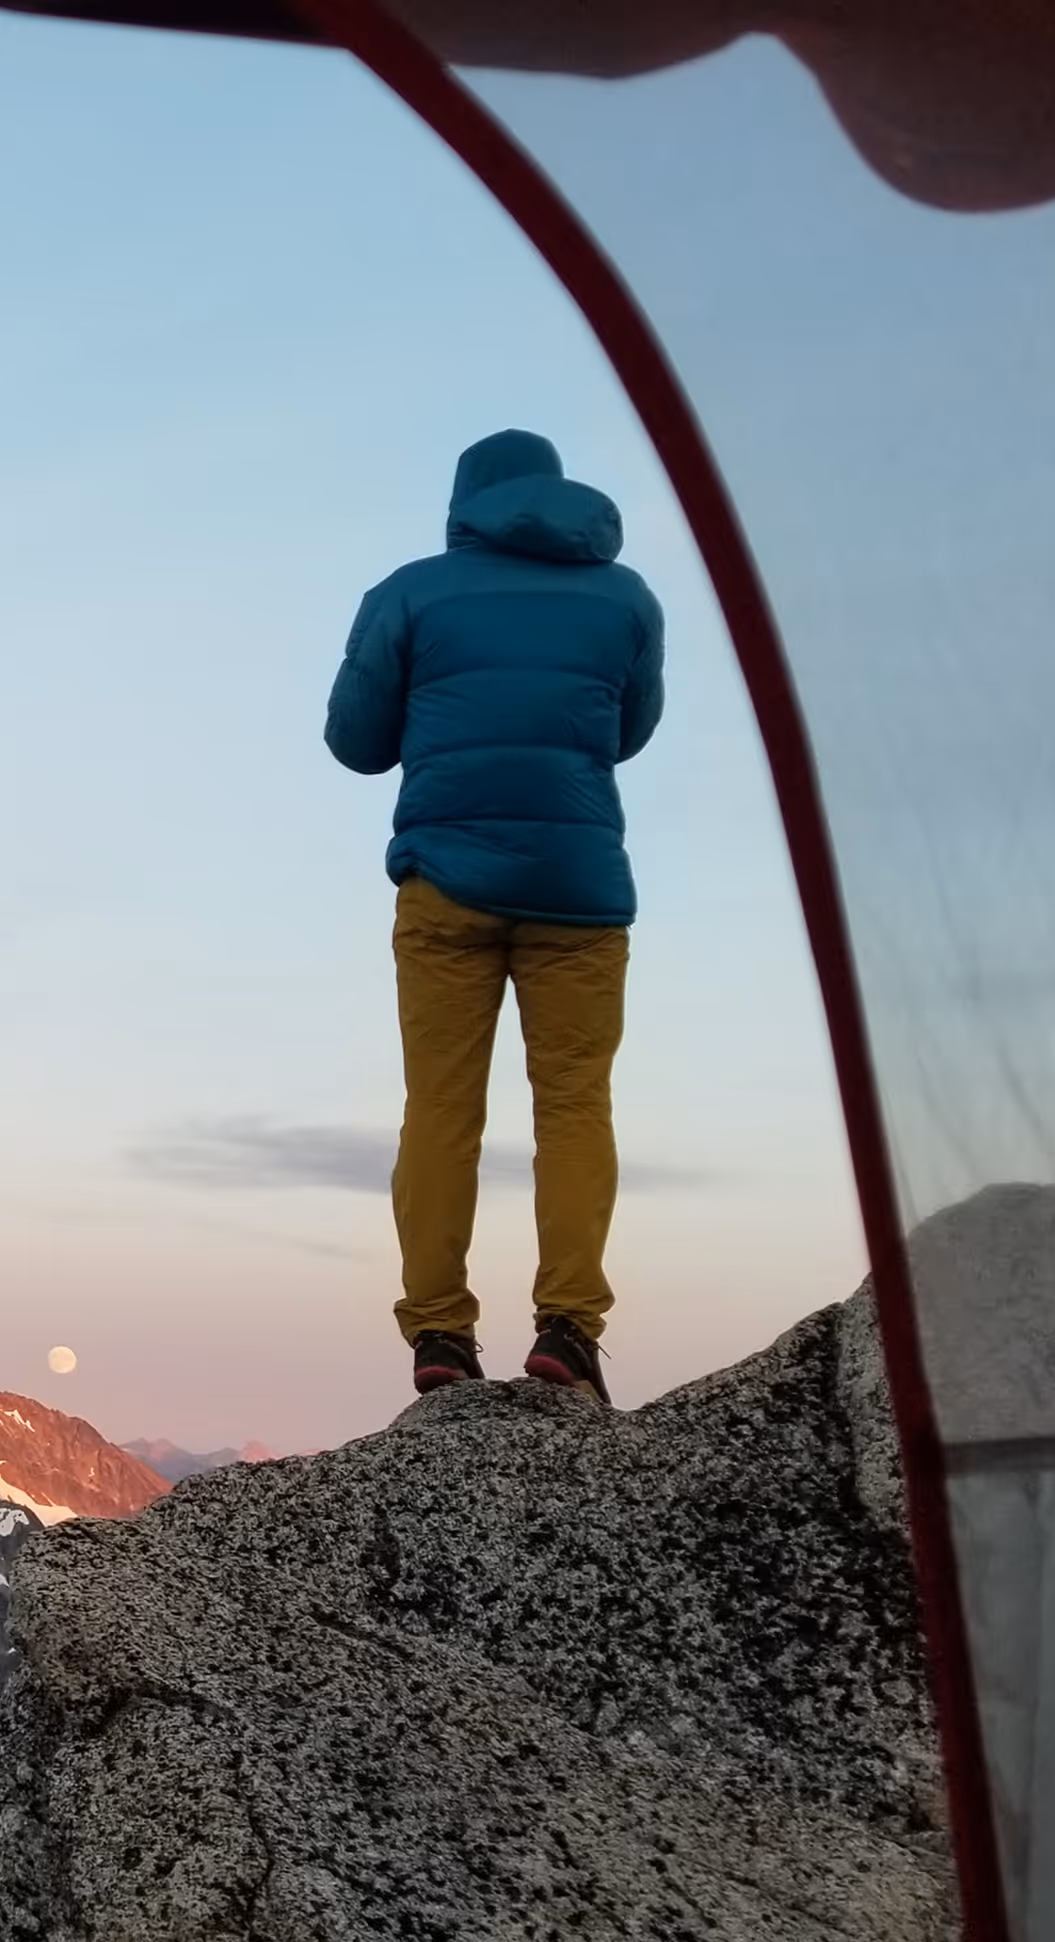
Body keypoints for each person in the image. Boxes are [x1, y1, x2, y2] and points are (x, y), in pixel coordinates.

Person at [325, 429, 665, 1404]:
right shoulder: (627, 598)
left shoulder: (408, 594)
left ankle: (439, 1332)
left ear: (462, 504)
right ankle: (570, 1329)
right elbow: (627, 731)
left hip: (445, 882)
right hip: (580, 889)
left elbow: (354, 742)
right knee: (574, 1105)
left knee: (440, 1108)